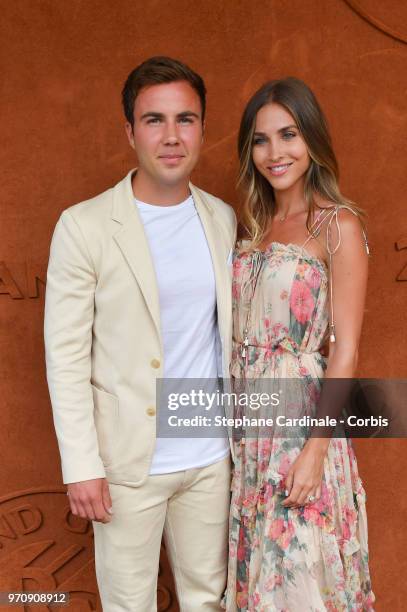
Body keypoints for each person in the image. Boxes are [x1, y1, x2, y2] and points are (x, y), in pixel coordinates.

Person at [44, 56, 236, 611]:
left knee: (209, 601)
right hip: (126, 465)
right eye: (155, 120)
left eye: (186, 119)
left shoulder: (222, 217)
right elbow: (65, 357)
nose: (172, 136)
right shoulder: (83, 226)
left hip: (209, 454)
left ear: (203, 128)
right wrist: (81, 465)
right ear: (129, 131)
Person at [223, 78, 375, 610]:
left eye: (288, 134)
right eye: (260, 140)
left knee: (300, 581)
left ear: (311, 137)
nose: (275, 152)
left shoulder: (339, 226)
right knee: (260, 585)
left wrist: (315, 450)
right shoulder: (255, 228)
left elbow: (347, 349)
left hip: (301, 429)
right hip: (249, 433)